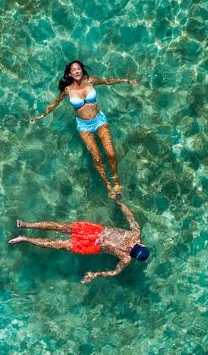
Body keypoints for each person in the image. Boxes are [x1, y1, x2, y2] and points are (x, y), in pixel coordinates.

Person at [31, 60, 137, 198]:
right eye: (73, 70)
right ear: (69, 73)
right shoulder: (67, 90)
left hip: (99, 121)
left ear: (82, 70)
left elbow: (107, 81)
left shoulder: (90, 81)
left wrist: (125, 80)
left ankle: (116, 180)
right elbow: (54, 103)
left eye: (78, 68)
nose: (77, 71)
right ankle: (108, 185)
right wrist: (42, 115)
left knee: (110, 153)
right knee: (97, 158)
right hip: (84, 126)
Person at [9, 197, 150, 283]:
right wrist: (119, 202)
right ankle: (27, 225)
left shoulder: (126, 259)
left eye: (132, 252)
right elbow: (129, 216)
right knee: (60, 227)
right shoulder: (135, 233)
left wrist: (95, 274)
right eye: (134, 246)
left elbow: (114, 272)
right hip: (95, 231)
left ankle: (25, 238)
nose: (130, 248)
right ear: (140, 244)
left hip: (92, 246)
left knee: (58, 245)